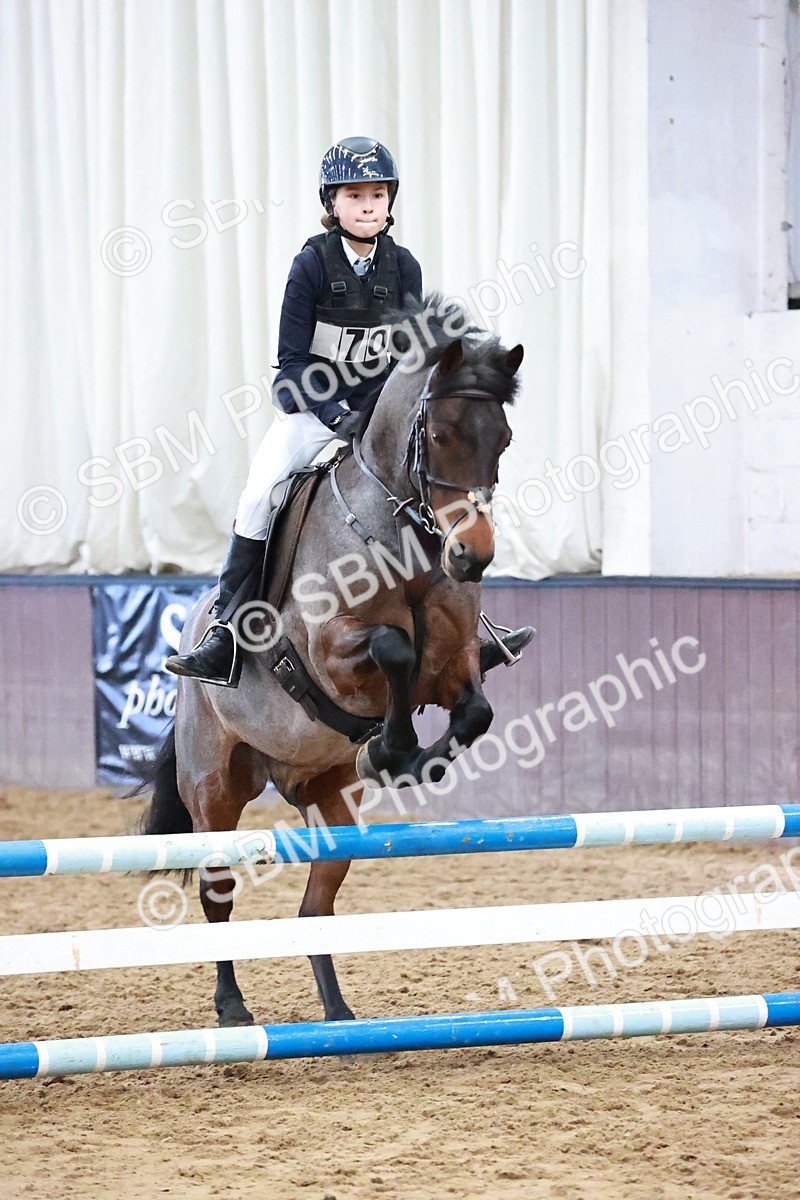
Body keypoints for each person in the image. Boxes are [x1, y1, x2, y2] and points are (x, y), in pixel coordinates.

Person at [165, 136, 423, 687]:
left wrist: (387, 417)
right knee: (257, 497)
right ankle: (227, 635)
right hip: (312, 415)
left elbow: (408, 359)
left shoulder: (404, 269)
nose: (370, 205)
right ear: (332, 203)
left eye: (379, 195)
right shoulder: (309, 265)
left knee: (436, 483)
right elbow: (291, 364)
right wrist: (336, 417)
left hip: (376, 417)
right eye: (356, 196)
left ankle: (473, 624)